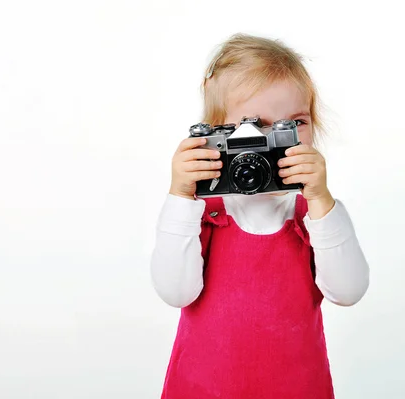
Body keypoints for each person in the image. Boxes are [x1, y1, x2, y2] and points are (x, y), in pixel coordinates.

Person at [150, 33, 370, 399]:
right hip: (205, 387)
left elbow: (349, 291)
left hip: (297, 387)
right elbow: (175, 292)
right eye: (257, 123)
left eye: (295, 123)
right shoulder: (203, 212)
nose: (278, 141)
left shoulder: (311, 213)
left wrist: (321, 200)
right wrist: (180, 196)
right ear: (219, 134)